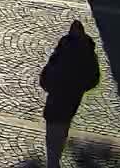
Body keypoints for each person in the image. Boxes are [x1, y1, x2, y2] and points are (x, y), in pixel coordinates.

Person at [40, 20, 100, 168]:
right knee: (60, 128)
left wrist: (48, 82)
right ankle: (54, 160)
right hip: (69, 97)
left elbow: (50, 67)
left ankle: (53, 161)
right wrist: (80, 88)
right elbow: (93, 78)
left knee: (54, 128)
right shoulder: (84, 50)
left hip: (59, 95)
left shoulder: (67, 47)